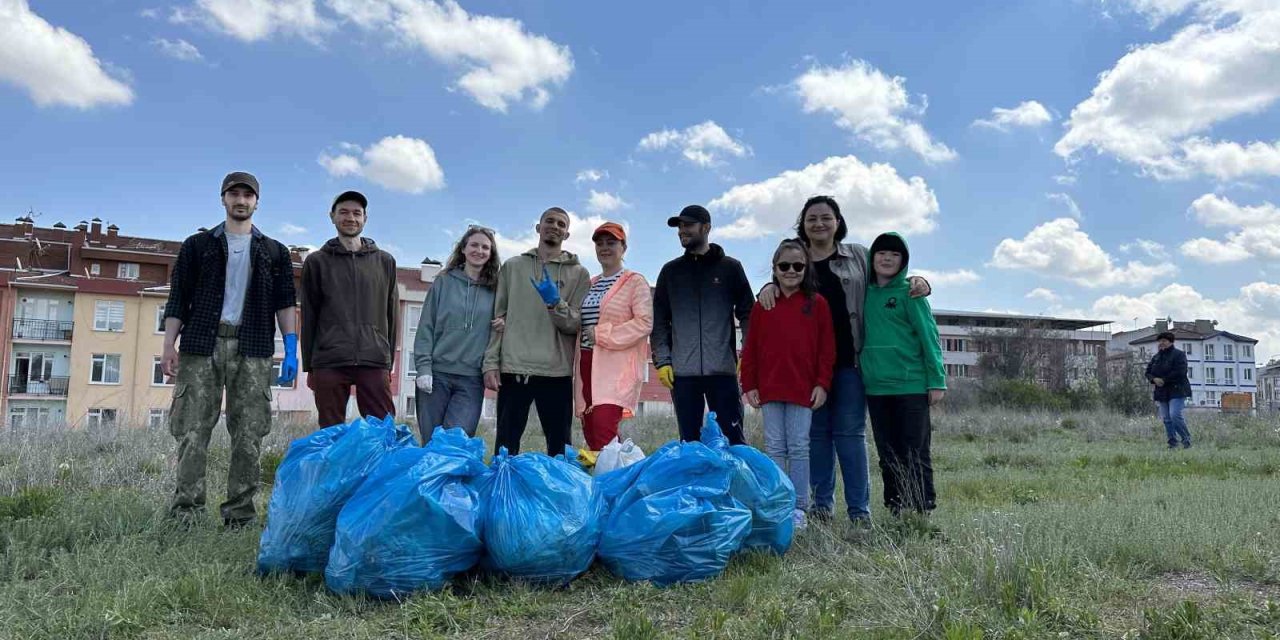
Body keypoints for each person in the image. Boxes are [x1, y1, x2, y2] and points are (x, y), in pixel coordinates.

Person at [757, 196, 932, 525]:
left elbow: (888, 274)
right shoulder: (796, 258)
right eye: (812, 218)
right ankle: (822, 507)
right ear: (802, 224)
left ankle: (859, 512)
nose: (819, 223)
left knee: (850, 436)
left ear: (838, 222)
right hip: (809, 370)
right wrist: (768, 284)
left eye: (826, 217)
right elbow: (783, 282)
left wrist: (919, 282)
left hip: (850, 361)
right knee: (817, 438)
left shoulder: (857, 255)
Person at [161, 171, 298, 528]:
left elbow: (285, 304)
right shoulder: (198, 246)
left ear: (256, 202)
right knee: (192, 431)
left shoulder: (274, 252)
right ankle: (186, 511)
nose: (241, 200)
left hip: (252, 348)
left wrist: (292, 348)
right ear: (223, 199)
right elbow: (178, 298)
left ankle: (240, 513)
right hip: (200, 347)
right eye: (234, 193)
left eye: (247, 195)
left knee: (249, 433)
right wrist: (168, 345)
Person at [740, 239, 835, 532]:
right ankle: (778, 503)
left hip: (802, 389)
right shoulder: (763, 305)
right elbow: (751, 347)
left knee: (799, 447)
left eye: (797, 266)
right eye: (784, 266)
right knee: (774, 448)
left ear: (806, 268)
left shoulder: (817, 304)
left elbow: (827, 349)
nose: (791, 271)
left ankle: (799, 507)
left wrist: (822, 383)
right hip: (769, 389)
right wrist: (749, 384)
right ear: (774, 269)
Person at [482, 207, 590, 454]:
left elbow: (574, 324)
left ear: (568, 234)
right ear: (538, 228)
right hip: (515, 367)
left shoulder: (579, 273)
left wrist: (555, 304)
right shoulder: (512, 267)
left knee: (559, 448)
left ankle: (559, 493)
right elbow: (497, 319)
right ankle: (503, 490)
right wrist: (490, 363)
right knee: (506, 446)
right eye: (549, 221)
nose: (555, 226)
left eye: (561, 224)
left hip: (556, 371)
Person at [651, 205, 755, 445]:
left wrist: (746, 353)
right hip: (683, 374)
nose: (681, 231)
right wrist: (664, 361)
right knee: (689, 442)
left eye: (688, 225)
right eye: (679, 226)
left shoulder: (730, 268)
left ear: (706, 228)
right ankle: (694, 483)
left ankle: (734, 483)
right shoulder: (670, 272)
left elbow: (748, 312)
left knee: (733, 440)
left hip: (723, 371)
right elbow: (659, 321)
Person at [861, 232, 945, 516]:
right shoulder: (863, 293)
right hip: (875, 387)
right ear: (872, 258)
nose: (887, 258)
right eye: (882, 253)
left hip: (911, 385)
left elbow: (929, 337)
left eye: (895, 255)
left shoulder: (911, 293)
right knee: (887, 453)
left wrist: (936, 381)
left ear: (903, 261)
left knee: (915, 451)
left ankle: (923, 509)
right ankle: (897, 507)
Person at [299, 191, 398, 428]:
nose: (350, 218)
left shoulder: (384, 261)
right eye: (343, 212)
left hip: (373, 359)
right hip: (329, 359)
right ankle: (335, 467)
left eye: (356, 213)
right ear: (332, 217)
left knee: (383, 430)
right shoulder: (317, 262)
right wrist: (310, 366)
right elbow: (309, 315)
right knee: (331, 432)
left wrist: (388, 362)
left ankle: (379, 467)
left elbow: (392, 315)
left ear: (365, 218)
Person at [414, 226, 500, 443]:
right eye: (474, 245)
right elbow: (426, 326)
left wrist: (505, 320)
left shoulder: (496, 288)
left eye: (485, 247)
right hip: (436, 375)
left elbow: (507, 318)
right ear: (463, 248)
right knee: (431, 443)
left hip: (471, 379)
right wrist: (423, 368)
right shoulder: (443, 281)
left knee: (456, 444)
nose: (479, 250)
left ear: (491, 254)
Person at [573, 222, 653, 450]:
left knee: (603, 431)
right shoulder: (590, 284)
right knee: (590, 429)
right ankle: (602, 480)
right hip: (586, 364)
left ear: (623, 247)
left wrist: (602, 334)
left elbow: (644, 323)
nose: (605, 248)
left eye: (611, 242)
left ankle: (612, 481)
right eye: (600, 243)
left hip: (614, 370)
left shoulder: (634, 282)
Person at [1145, 331, 1192, 449]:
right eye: (1160, 341)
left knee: (1174, 415)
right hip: (1161, 392)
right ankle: (1172, 442)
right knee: (1166, 418)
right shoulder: (1156, 357)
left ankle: (1186, 439)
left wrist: (1164, 380)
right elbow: (1148, 372)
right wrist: (1154, 379)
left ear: (1171, 342)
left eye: (1164, 341)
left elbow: (1180, 372)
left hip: (1177, 390)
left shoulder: (1179, 355)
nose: (1161, 343)